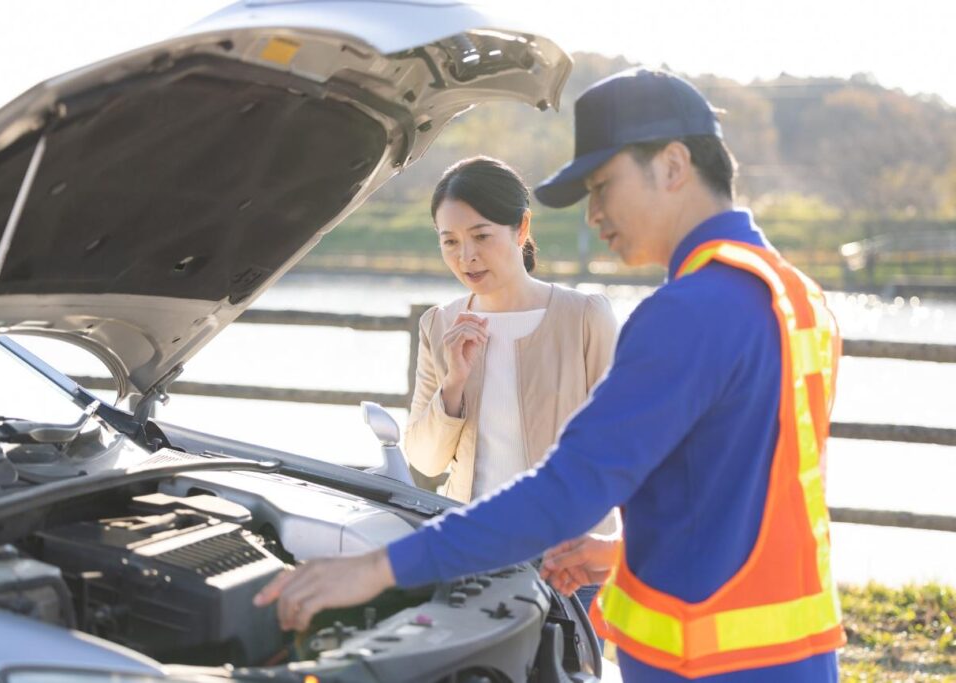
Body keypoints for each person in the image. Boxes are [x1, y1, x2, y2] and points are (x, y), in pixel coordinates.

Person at [255, 68, 845, 682]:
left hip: (711, 668)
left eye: (603, 186)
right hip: (793, 657)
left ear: (672, 166)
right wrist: (619, 556)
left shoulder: (688, 313)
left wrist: (376, 568)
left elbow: (568, 490)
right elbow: (741, 497)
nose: (594, 215)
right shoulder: (795, 297)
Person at [405, 157, 618, 539]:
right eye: (450, 241)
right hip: (471, 546)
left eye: (481, 236)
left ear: (521, 227)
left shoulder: (585, 316)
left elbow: (623, 441)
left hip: (572, 553)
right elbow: (425, 460)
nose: (466, 256)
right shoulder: (439, 325)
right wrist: (454, 383)